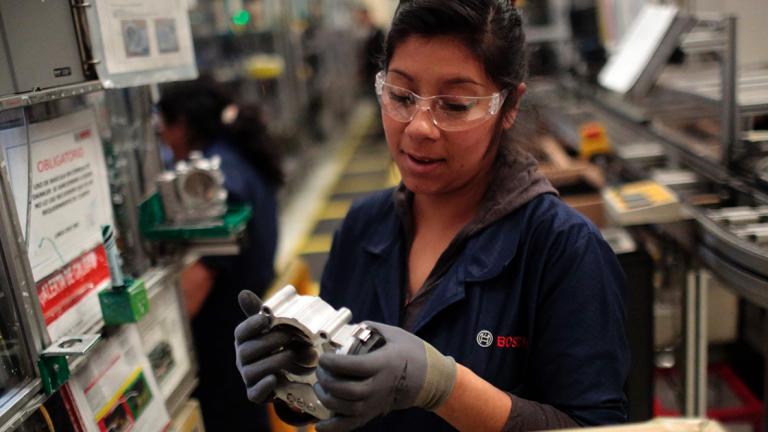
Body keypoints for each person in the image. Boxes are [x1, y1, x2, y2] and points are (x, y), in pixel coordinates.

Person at [234, 1, 629, 431]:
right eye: (401, 96)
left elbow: (593, 427)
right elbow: (339, 388)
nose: (420, 127)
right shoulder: (363, 227)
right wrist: (299, 378)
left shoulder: (562, 249)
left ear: (509, 105)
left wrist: (444, 387)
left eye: (455, 105)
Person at [157, 77, 282, 431]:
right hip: (245, 316)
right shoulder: (234, 153)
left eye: (164, 127)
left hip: (224, 332)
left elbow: (202, 277)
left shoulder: (216, 179)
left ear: (181, 124)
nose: (163, 140)